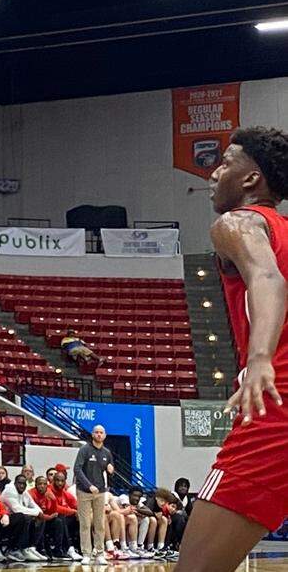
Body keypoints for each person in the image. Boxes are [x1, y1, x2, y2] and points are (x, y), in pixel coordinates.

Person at [174, 128, 288, 572]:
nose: (213, 173)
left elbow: (266, 277)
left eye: (225, 162)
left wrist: (259, 359)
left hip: (276, 412)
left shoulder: (237, 223)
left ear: (250, 179)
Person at [74, 424, 115, 564]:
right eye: (96, 432)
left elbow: (109, 471)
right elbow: (77, 469)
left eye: (101, 432)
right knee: (85, 523)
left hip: (100, 492)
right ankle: (86, 553)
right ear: (92, 435)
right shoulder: (84, 449)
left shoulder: (107, 453)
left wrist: (111, 470)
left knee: (100, 524)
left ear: (105, 435)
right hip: (84, 492)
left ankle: (99, 553)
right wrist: (88, 485)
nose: (98, 434)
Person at [1, 474, 48, 561]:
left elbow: (33, 504)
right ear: (15, 483)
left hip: (17, 519)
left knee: (40, 519)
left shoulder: (24, 491)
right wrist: (37, 513)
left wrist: (40, 513)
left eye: (24, 484)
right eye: (19, 483)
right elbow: (17, 509)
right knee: (24, 517)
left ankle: (31, 548)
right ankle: (17, 548)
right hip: (4, 521)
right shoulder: (9, 491)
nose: (22, 485)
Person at [30, 474, 77, 560]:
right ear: (35, 485)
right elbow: (37, 512)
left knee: (59, 521)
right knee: (42, 520)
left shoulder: (48, 493)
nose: (42, 486)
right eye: (40, 484)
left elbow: (54, 510)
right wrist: (49, 516)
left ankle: (58, 550)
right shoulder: (31, 494)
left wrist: (53, 500)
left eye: (44, 484)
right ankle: (37, 548)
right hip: (34, 520)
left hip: (47, 519)